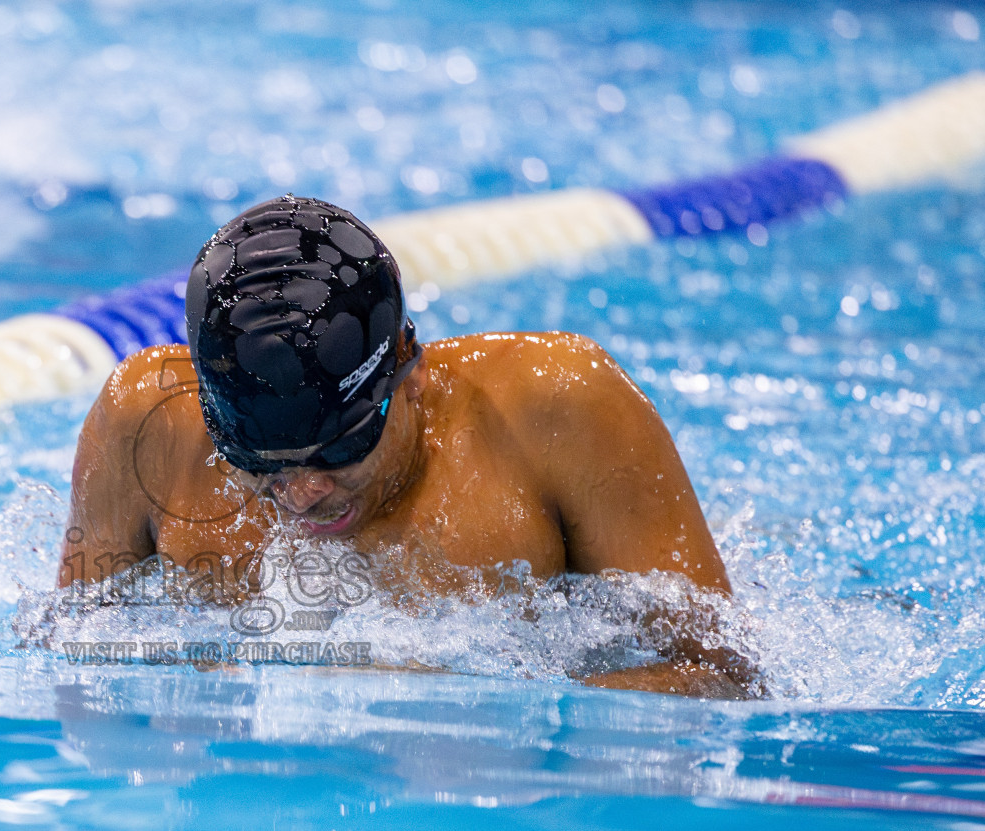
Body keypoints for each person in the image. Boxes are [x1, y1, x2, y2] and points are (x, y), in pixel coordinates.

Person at [59, 195, 755, 698]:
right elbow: (65, 656)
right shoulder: (142, 422)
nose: (302, 493)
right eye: (261, 464)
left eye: (338, 451)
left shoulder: (558, 406)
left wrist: (458, 700)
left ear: (408, 367)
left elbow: (722, 671)